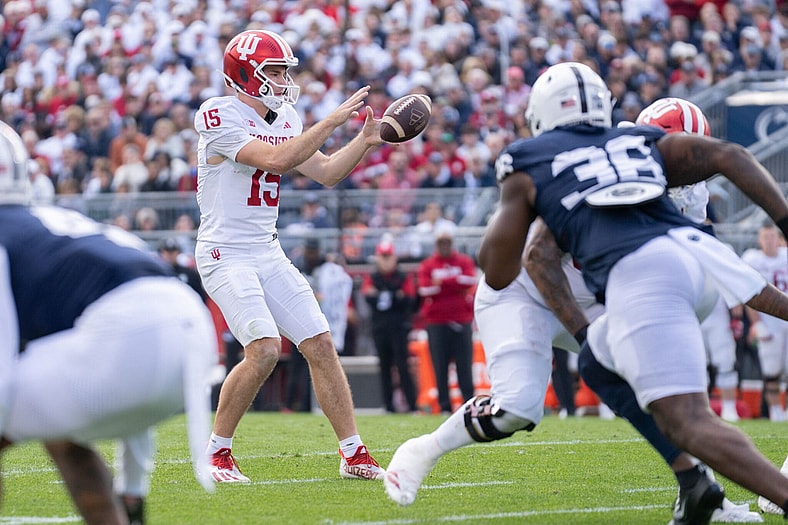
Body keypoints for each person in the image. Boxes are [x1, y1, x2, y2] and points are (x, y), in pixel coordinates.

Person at [384, 62, 788, 522]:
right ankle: (424, 450)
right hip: (529, 292)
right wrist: (585, 337)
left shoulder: (646, 155)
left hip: (609, 286)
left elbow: (722, 261)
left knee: (664, 392)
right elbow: (530, 261)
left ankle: (698, 488)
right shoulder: (562, 163)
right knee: (516, 407)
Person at [0, 121, 218, 524]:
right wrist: (134, 488)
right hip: (193, 335)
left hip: (126, 339)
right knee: (64, 436)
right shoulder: (60, 226)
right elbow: (145, 322)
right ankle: (127, 511)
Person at [194, 29, 384, 483]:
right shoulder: (217, 113)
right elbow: (275, 161)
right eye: (274, 71)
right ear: (245, 75)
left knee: (319, 343)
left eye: (283, 71)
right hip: (225, 252)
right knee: (262, 349)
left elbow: (326, 173)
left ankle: (353, 453)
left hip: (267, 249)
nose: (282, 80)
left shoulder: (285, 118)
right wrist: (332, 122)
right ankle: (217, 452)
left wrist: (363, 141)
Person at [416, 224, 478, 414]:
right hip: (437, 322)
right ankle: (444, 406)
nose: (444, 245)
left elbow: (470, 280)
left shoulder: (464, 261)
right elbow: (425, 289)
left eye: (447, 242)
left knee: (464, 366)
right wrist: (454, 282)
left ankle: (469, 404)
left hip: (461, 320)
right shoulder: (427, 264)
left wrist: (442, 282)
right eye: (440, 242)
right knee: (440, 367)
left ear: (452, 243)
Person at [361, 237, 419, 413]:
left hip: (399, 327)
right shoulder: (373, 276)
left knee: (403, 366)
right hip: (380, 328)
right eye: (382, 257)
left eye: (388, 256)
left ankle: (412, 405)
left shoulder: (403, 276)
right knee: (384, 366)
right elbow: (368, 296)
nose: (385, 261)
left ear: (394, 258)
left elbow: (409, 299)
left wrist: (382, 296)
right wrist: (395, 296)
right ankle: (388, 406)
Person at [741, 220, 788, 422]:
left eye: (772, 236)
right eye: (765, 237)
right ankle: (776, 412)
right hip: (769, 321)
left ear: (778, 239)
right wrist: (756, 323)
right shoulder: (753, 259)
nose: (769, 241)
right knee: (772, 371)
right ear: (759, 240)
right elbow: (748, 295)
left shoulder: (785, 256)